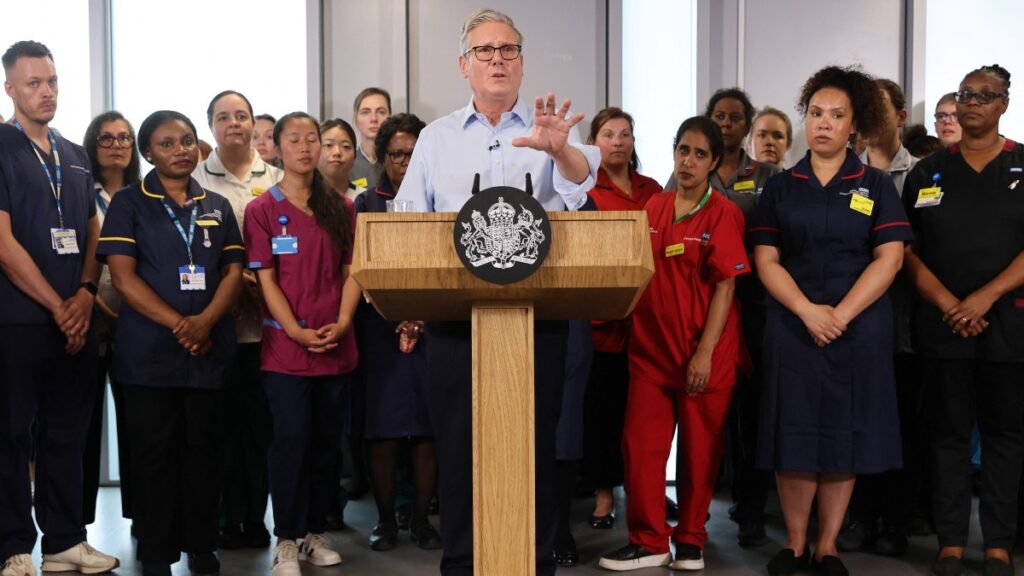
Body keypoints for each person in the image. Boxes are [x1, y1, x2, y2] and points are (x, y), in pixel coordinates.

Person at [394, 8, 600, 575]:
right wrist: (410, 306)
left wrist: (558, 149)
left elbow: (584, 186)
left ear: (522, 62)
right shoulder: (436, 139)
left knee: (534, 448)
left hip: (542, 315)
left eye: (508, 50)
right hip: (456, 319)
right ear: (464, 65)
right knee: (459, 449)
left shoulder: (554, 130)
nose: (497, 60)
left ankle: (534, 560)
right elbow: (409, 221)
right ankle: (463, 561)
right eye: (485, 51)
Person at [750, 65, 913, 576]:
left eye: (836, 115)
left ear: (854, 126)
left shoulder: (876, 185)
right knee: (793, 433)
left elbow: (889, 258)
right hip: (793, 324)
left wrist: (839, 315)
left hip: (857, 327)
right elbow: (765, 260)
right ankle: (795, 543)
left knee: (845, 435)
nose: (823, 123)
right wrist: (806, 310)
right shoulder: (780, 187)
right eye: (816, 113)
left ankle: (828, 546)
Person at [598, 116, 749, 572]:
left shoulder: (725, 213)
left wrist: (703, 352)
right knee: (640, 447)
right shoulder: (653, 208)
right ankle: (649, 540)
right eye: (683, 150)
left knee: (701, 451)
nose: (689, 161)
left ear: (715, 162)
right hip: (650, 351)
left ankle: (690, 539)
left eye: (700, 154)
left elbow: (726, 287)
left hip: (705, 354)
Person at [97, 109, 243, 576]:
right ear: (147, 153)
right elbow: (122, 277)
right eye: (166, 143)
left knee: (204, 452)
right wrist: (182, 324)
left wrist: (205, 324)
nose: (179, 150)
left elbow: (233, 272)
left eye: (186, 141)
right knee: (153, 456)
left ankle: (202, 544)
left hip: (208, 351)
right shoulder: (128, 202)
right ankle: (157, 551)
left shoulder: (216, 205)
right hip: (149, 356)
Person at [0, 40, 119, 576]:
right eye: (33, 83)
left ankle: (66, 540)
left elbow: (93, 230)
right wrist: (57, 305)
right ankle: (12, 545)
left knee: (68, 432)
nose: (45, 92)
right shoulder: (1, 147)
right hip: (19, 320)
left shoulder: (72, 154)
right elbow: (3, 243)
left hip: (74, 319)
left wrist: (86, 294)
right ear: (10, 88)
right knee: (11, 434)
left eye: (51, 81)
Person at [903, 64, 1023, 576]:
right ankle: (950, 541)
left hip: (1009, 325)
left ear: (1003, 105)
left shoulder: (1022, 166)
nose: (972, 102)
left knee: (1004, 437)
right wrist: (952, 304)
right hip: (943, 324)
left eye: (984, 95)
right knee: (947, 435)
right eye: (964, 94)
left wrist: (983, 299)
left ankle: (997, 543)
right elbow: (903, 251)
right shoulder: (928, 172)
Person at [243, 111, 360, 576]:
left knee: (326, 445)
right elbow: (265, 279)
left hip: (335, 344)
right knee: (289, 442)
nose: (307, 147)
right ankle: (286, 538)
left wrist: (345, 319)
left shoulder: (342, 208)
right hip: (286, 350)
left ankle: (315, 531)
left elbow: (352, 272)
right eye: (295, 140)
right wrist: (292, 329)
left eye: (313, 139)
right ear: (278, 147)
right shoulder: (263, 209)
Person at [838, 78, 923, 558]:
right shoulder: (845, 174)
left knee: (904, 423)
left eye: (878, 108)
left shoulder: (926, 173)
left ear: (899, 115)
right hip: (856, 319)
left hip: (908, 321)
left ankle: (897, 518)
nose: (869, 118)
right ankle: (859, 513)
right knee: (857, 420)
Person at [193, 89, 282, 550]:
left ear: (253, 124)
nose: (234, 123)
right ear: (210, 126)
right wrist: (236, 285)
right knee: (221, 429)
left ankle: (255, 516)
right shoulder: (193, 180)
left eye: (242, 115)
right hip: (219, 323)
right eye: (224, 117)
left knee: (260, 428)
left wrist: (260, 285)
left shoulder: (279, 177)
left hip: (269, 326)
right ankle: (227, 517)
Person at [352, 112, 441, 552]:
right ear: (382, 157)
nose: (405, 161)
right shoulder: (367, 203)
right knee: (383, 430)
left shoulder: (440, 198)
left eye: (413, 153)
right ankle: (386, 521)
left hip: (432, 327)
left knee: (427, 429)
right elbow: (361, 267)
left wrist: (421, 313)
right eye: (396, 154)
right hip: (380, 327)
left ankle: (422, 521)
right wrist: (395, 310)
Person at [579, 106, 661, 533]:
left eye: (625, 134)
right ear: (593, 142)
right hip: (602, 325)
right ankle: (605, 493)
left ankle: (648, 489)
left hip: (648, 324)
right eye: (608, 134)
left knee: (647, 416)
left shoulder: (653, 189)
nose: (617, 141)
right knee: (604, 414)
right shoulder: (584, 191)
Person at [81, 110, 141, 529]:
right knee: (82, 428)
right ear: (92, 144)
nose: (117, 145)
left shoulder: (145, 194)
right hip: (85, 320)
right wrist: (101, 310)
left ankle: (142, 516)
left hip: (138, 324)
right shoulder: (78, 192)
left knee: (140, 426)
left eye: (125, 138)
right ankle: (76, 524)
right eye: (107, 138)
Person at [350, 87, 391, 192]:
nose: (373, 119)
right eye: (365, 112)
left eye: (381, 112)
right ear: (356, 119)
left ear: (390, 117)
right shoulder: (346, 163)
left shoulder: (399, 163)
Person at [319, 118, 362, 201]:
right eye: (328, 145)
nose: (337, 152)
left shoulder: (365, 199)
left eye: (345, 146)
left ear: (355, 156)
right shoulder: (301, 197)